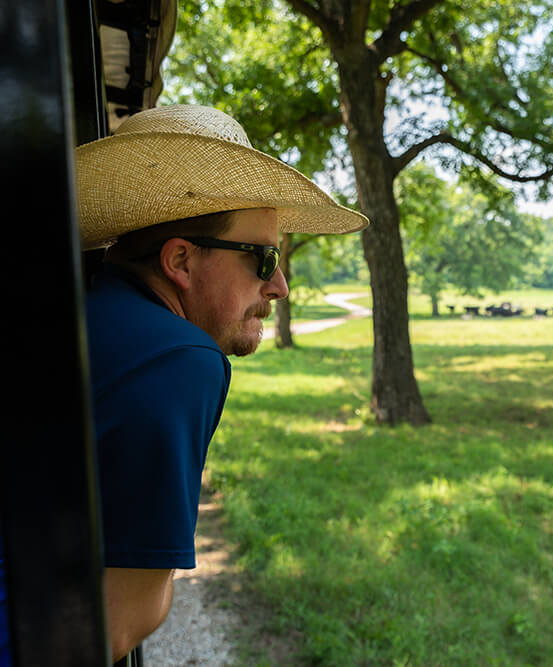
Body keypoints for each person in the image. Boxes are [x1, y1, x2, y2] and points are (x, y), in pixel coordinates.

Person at [0, 104, 367, 665]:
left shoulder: (86, 310)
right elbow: (116, 623)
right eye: (263, 257)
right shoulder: (180, 357)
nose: (281, 286)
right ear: (180, 260)